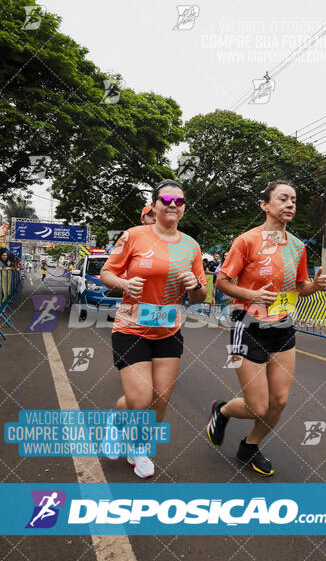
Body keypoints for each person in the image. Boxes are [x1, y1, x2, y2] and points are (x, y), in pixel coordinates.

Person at [206, 180, 326, 476]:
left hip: (284, 326)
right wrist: (252, 295)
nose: (290, 204)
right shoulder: (247, 241)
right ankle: (221, 411)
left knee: (280, 401)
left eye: (294, 200)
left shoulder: (298, 246)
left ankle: (249, 447)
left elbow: (300, 287)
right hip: (249, 326)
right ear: (265, 205)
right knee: (258, 406)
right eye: (283, 199)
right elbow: (222, 282)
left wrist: (316, 286)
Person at [100, 179, 206, 478]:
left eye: (179, 201)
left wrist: (195, 285)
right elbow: (107, 271)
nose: (173, 205)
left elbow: (201, 296)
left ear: (183, 207)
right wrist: (123, 283)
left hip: (168, 330)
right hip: (131, 327)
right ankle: (116, 421)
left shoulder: (191, 246)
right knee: (140, 399)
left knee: (160, 400)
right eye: (167, 200)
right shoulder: (134, 236)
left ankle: (138, 447)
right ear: (155, 205)